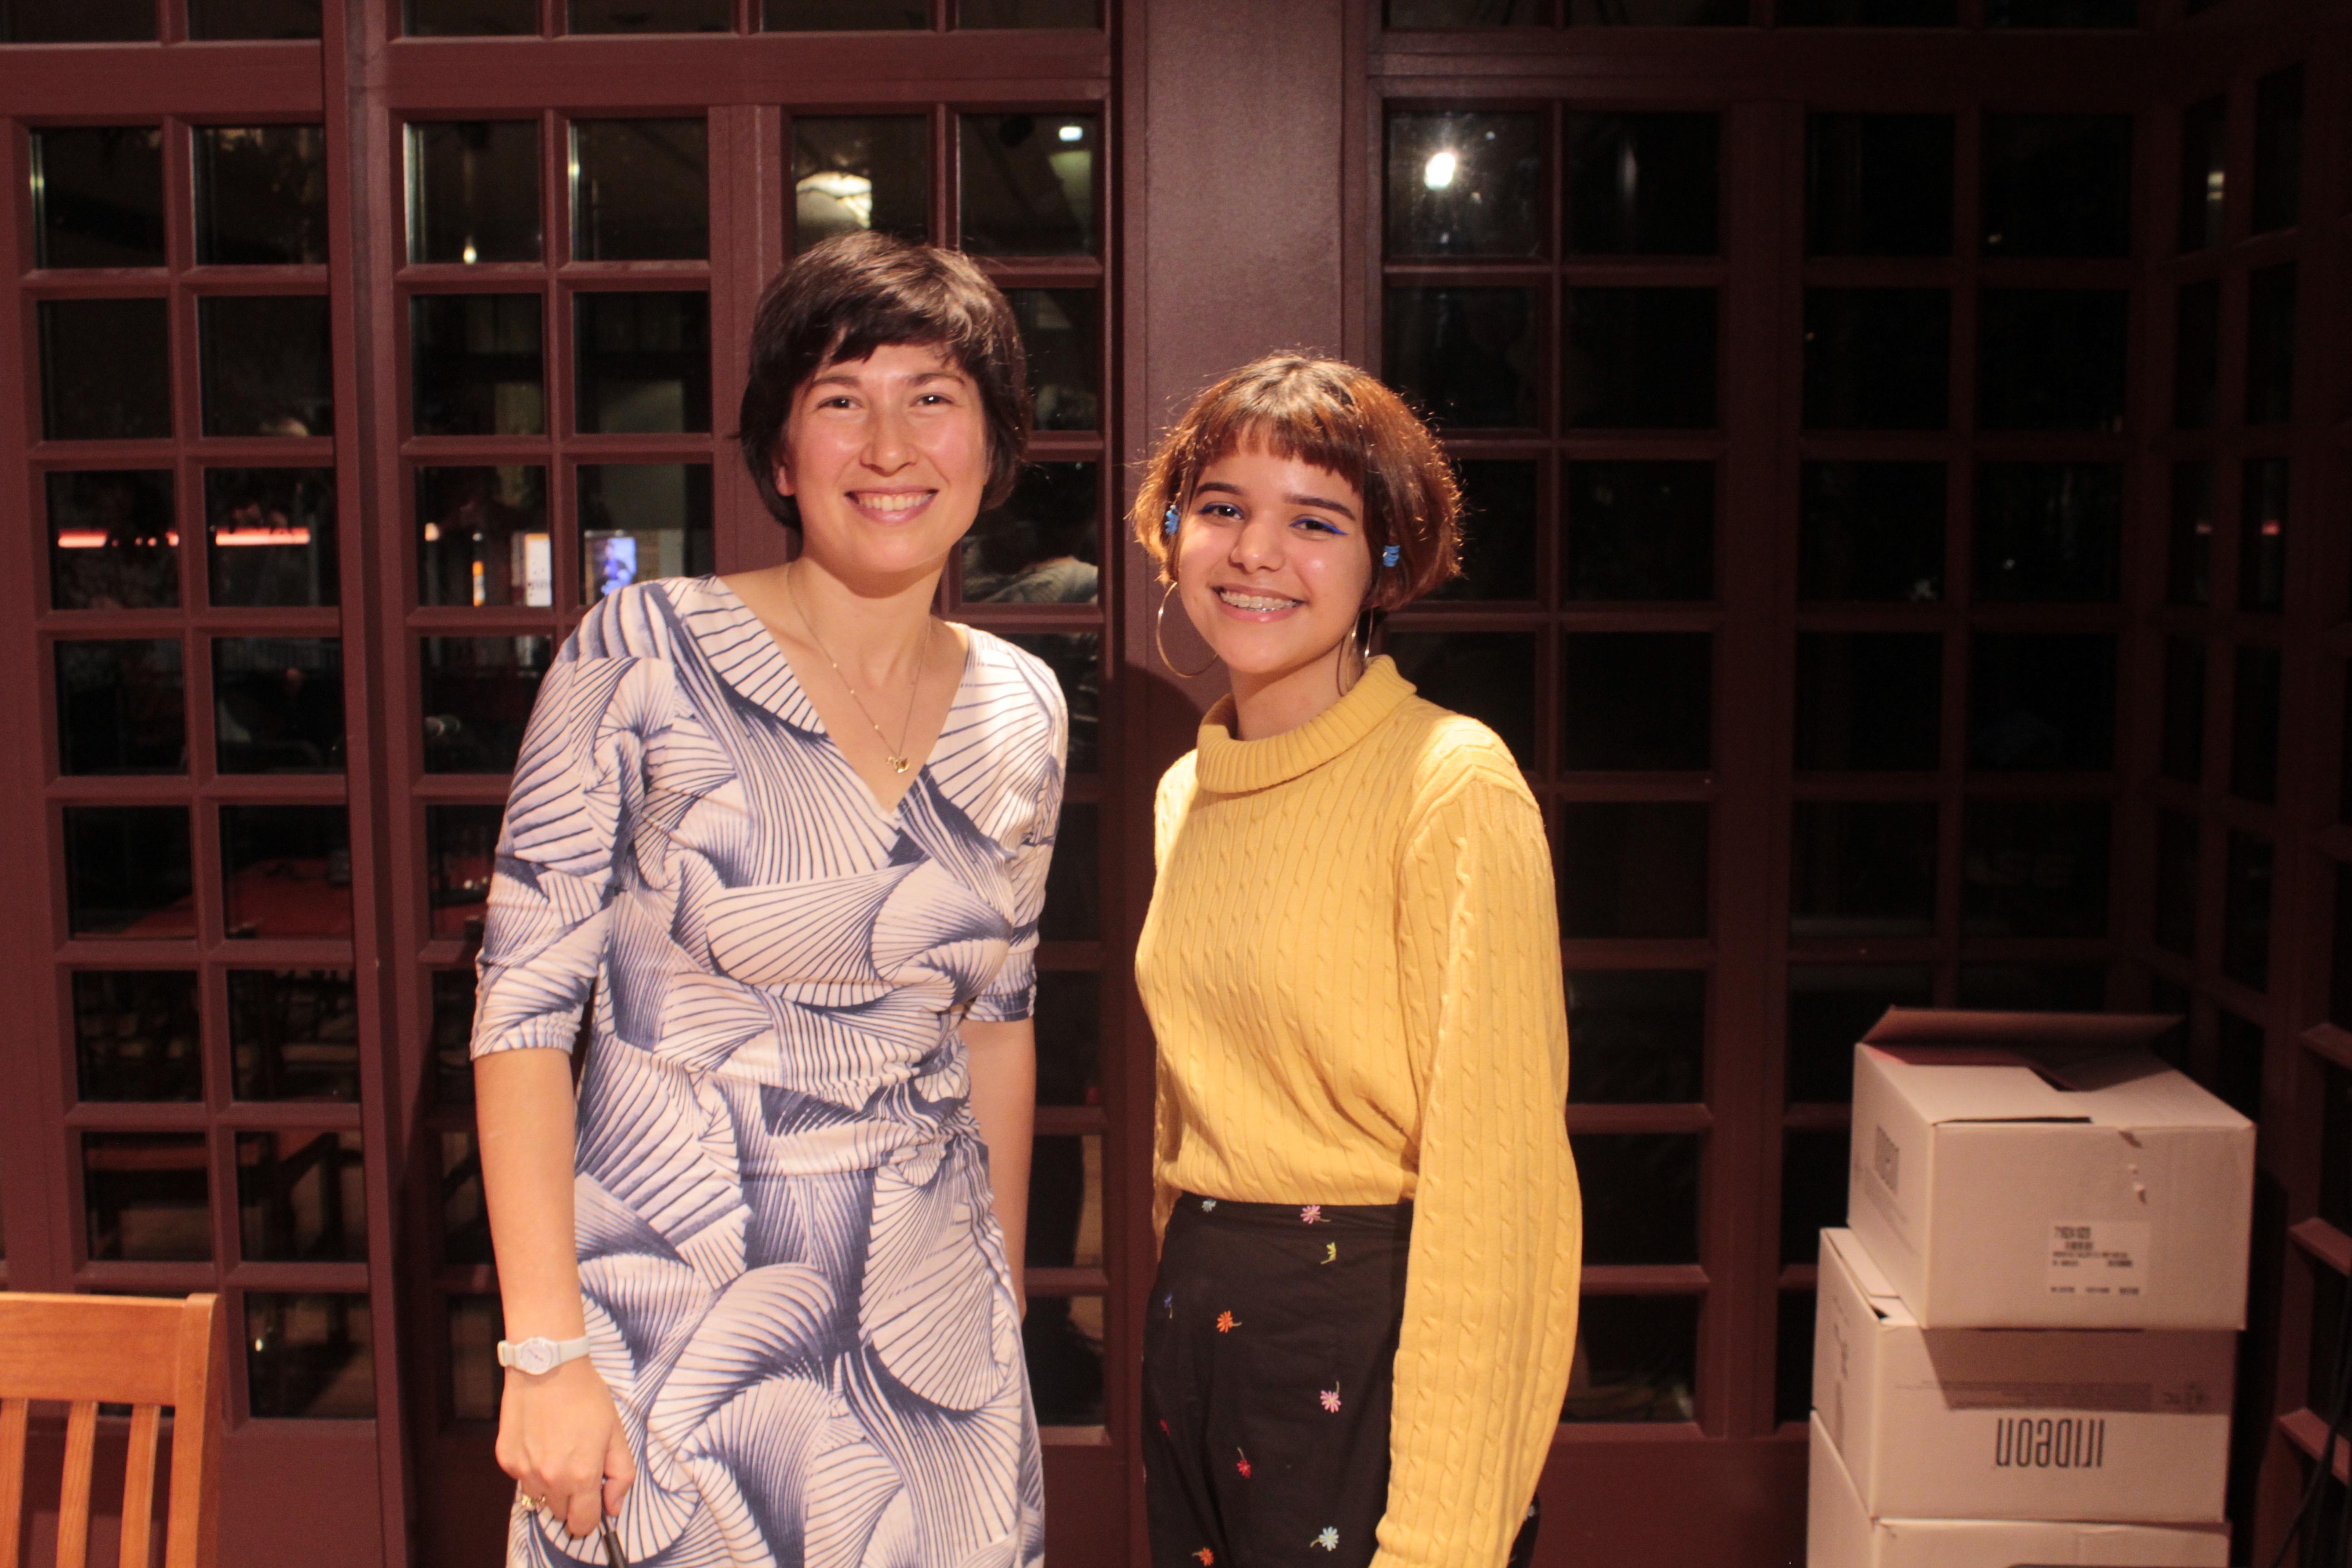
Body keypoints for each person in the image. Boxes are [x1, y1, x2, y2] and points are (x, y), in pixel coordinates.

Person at [470, 230, 1064, 1568]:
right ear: (782, 455)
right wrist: (544, 1351)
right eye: (842, 399)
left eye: (934, 397)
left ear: (993, 449)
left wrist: (1004, 1305)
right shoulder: (642, 650)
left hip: (934, 1344)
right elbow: (522, 1014)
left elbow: (997, 1023)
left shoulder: (1024, 704)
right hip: (667, 1326)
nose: (890, 446)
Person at [1132, 354, 1581, 1568]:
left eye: (1315, 522)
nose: (1256, 552)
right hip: (1199, 1332)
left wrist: (1447, 1536)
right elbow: (1191, 1116)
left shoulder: (1452, 783)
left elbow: (1503, 1191)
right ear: (1173, 535)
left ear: (1387, 561)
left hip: (1364, 1341)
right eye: (1221, 507)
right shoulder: (1188, 790)